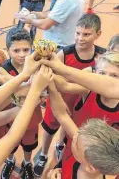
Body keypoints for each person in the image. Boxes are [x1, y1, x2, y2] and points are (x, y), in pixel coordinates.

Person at [34, 13, 106, 177]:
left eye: (86, 34)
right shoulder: (64, 53)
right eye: (78, 33)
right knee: (49, 128)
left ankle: (60, 145)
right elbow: (55, 78)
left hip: (82, 103)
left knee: (70, 131)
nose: (80, 38)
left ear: (98, 34)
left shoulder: (101, 57)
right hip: (60, 98)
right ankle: (44, 154)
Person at [46, 80, 119, 179]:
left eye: (75, 143)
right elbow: (61, 114)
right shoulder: (89, 150)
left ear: (90, 168)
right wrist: (50, 83)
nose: (74, 136)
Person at [0, 28, 43, 178]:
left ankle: (27, 162)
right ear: (8, 50)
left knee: (29, 143)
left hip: (32, 115)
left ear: (31, 48)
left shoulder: (37, 65)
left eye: (26, 49)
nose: (22, 54)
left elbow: (39, 91)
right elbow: (22, 91)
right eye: (16, 50)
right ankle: (10, 161)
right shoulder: (3, 69)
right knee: (10, 144)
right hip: (11, 116)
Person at [18, 0, 84, 48]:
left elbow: (45, 25)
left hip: (57, 45)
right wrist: (40, 15)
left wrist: (31, 20)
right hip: (60, 44)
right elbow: (56, 13)